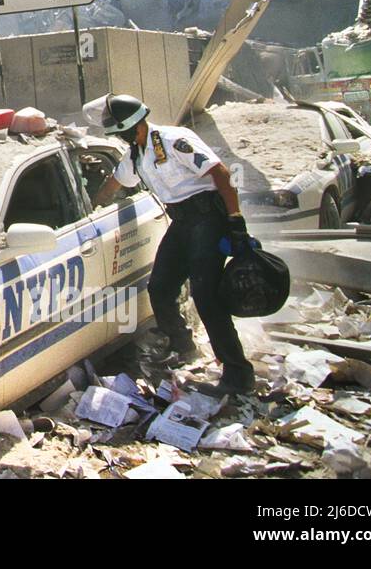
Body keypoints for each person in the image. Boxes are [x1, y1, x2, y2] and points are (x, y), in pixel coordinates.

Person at [90, 94, 256, 396]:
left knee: (206, 295)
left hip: (207, 217)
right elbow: (115, 184)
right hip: (181, 222)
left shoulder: (174, 140)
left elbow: (221, 174)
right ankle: (183, 346)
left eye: (121, 132)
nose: (121, 138)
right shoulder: (135, 154)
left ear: (133, 126)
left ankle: (238, 373)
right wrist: (93, 202)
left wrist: (236, 220)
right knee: (161, 287)